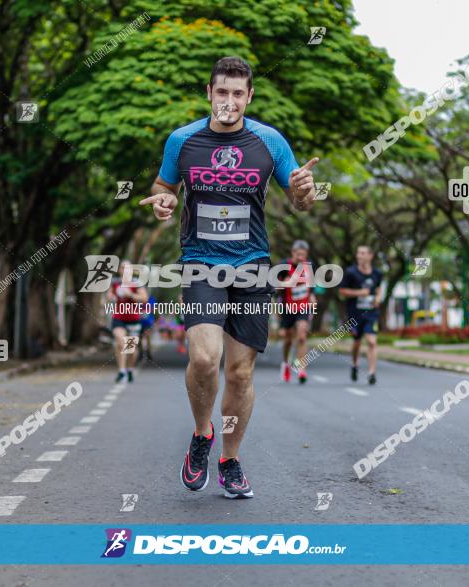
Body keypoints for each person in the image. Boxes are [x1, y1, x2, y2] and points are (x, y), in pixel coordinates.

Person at [140, 56, 319, 498]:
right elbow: (164, 187)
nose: (230, 101)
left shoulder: (270, 142)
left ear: (250, 96)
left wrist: (305, 192)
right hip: (201, 261)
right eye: (222, 92)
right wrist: (162, 201)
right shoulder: (182, 141)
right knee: (204, 359)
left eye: (238, 93)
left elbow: (300, 200)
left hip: (253, 265)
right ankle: (202, 435)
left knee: (239, 373)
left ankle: (230, 458)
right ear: (209, 93)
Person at [339, 245, 384, 385]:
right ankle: (354, 364)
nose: (360, 255)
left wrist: (377, 298)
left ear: (370, 256)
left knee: (372, 341)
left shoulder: (377, 273)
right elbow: (342, 291)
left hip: (371, 313)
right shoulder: (350, 272)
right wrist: (359, 293)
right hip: (355, 314)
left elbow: (378, 288)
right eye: (358, 253)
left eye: (363, 253)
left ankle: (371, 373)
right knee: (357, 342)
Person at [278, 239, 316, 384]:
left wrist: (312, 295)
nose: (301, 258)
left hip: (303, 306)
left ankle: (301, 368)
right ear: (292, 253)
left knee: (301, 336)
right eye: (298, 254)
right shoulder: (283, 265)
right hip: (287, 307)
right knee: (287, 339)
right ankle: (285, 363)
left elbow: (311, 285)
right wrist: (285, 283)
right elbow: (273, 286)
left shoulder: (309, 266)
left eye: (304, 255)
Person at [107, 261, 148, 383]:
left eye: (127, 268)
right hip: (118, 317)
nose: (124, 270)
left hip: (133, 319)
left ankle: (130, 369)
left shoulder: (136, 283)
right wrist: (111, 297)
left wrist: (130, 294)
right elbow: (109, 295)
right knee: (120, 341)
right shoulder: (115, 282)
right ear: (119, 270)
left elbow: (144, 298)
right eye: (122, 267)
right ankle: (121, 371)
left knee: (131, 348)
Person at [138, 295, 157, 362]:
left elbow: (153, 309)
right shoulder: (136, 296)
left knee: (148, 337)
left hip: (148, 321)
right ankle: (140, 354)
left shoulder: (151, 298)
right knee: (139, 338)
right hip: (138, 321)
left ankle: (148, 353)